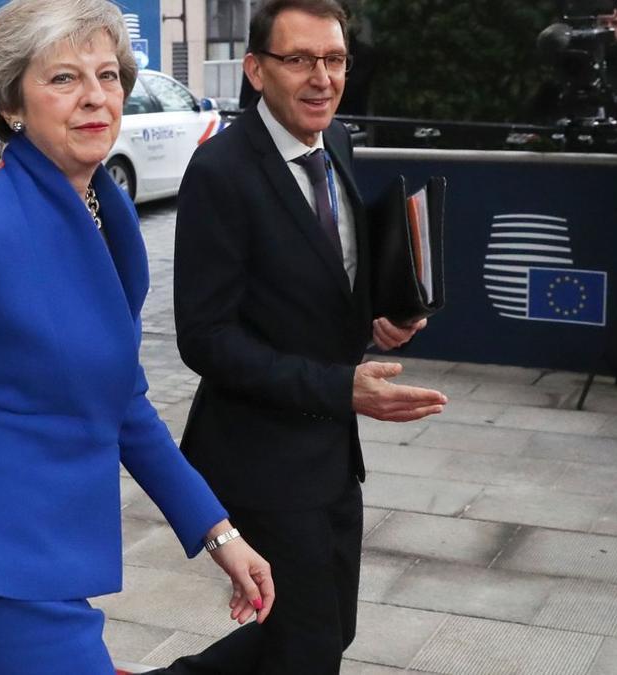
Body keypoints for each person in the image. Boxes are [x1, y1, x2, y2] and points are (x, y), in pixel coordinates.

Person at [0, 0, 275, 673]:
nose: (95, 97)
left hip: (54, 550)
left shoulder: (110, 212)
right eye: (64, 79)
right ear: (11, 104)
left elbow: (122, 398)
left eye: (108, 74)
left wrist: (218, 531)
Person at [165, 0, 448, 673]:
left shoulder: (338, 141)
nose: (322, 76)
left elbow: (329, 271)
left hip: (331, 449)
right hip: (258, 456)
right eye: (300, 59)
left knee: (323, 629)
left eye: (335, 59)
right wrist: (338, 386)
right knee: (309, 641)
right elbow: (202, 337)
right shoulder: (219, 173)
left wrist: (387, 310)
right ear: (257, 70)